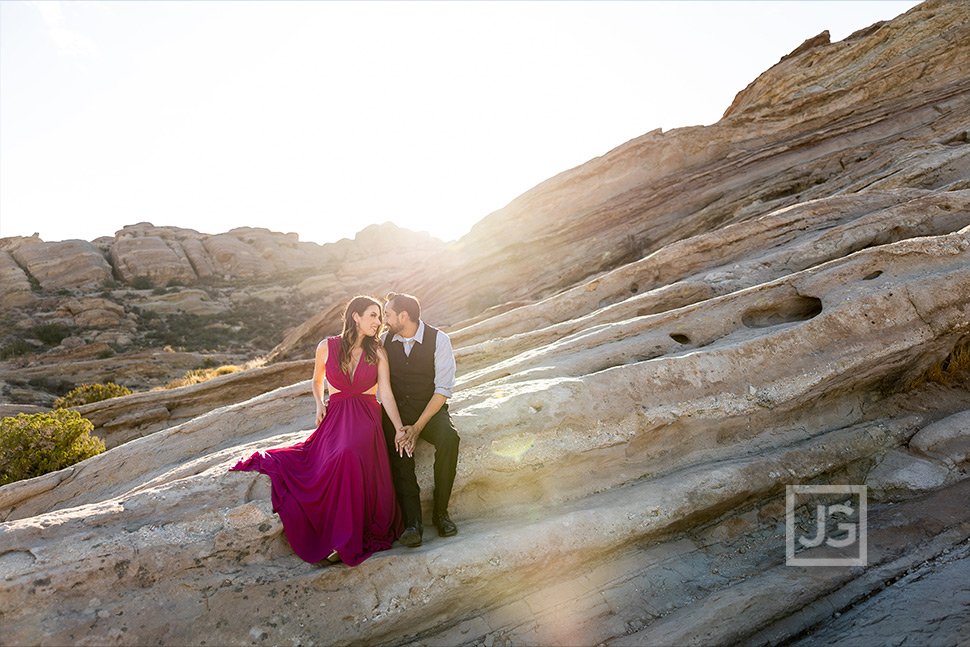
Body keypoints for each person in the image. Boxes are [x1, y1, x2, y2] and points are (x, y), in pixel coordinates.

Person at [229, 295, 408, 566]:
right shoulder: (327, 346)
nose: (378, 321)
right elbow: (316, 380)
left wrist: (397, 428)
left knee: (347, 454)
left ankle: (345, 539)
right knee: (321, 460)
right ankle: (333, 535)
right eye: (373, 315)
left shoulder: (378, 351)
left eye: (380, 316)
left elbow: (387, 393)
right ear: (355, 317)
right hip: (334, 417)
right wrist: (317, 404)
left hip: (366, 417)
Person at [380, 292, 460, 547]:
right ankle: (413, 523)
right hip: (397, 414)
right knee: (399, 450)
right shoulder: (384, 341)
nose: (384, 320)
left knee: (450, 438)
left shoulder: (439, 340)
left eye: (388, 314)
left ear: (404, 316)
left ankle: (441, 513)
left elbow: (443, 390)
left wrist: (418, 427)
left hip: (430, 410)